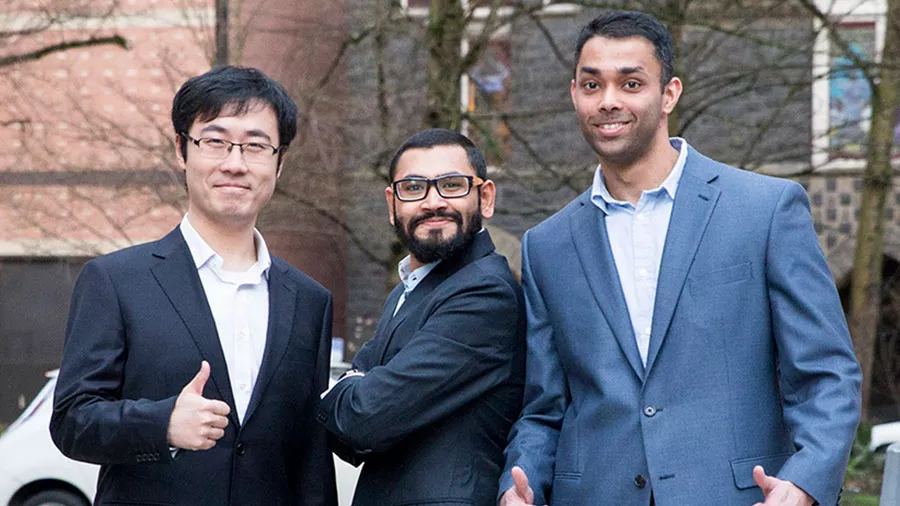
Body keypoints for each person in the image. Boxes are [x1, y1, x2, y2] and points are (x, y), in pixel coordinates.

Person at [499, 11, 861, 506]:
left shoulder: (764, 211)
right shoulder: (547, 245)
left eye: (630, 83)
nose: (609, 101)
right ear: (574, 94)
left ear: (669, 93)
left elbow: (827, 377)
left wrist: (803, 483)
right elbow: (544, 410)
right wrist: (516, 485)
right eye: (592, 85)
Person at [50, 65, 337, 506]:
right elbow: (72, 421)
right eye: (216, 141)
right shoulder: (117, 280)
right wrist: (162, 423)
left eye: (256, 146)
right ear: (182, 150)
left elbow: (310, 459)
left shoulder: (310, 301)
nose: (235, 163)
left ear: (279, 163)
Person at [317, 128, 526, 506]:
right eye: (413, 188)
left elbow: (365, 418)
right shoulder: (409, 291)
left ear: (486, 197)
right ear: (392, 205)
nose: (433, 202)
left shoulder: (484, 293)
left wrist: (348, 392)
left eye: (451, 185)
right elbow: (346, 438)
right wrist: (358, 398)